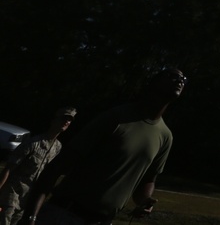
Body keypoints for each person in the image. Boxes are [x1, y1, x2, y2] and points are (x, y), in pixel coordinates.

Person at [18, 68, 186, 225]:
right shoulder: (116, 117)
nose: (179, 81)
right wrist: (31, 216)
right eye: (173, 76)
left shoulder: (165, 136)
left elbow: (148, 179)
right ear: (153, 82)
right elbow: (56, 167)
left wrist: (144, 200)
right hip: (65, 214)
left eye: (183, 79)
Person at [0, 108, 76, 225]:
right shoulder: (33, 143)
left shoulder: (57, 148)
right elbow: (9, 168)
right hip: (12, 193)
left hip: (27, 198)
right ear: (53, 121)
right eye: (63, 118)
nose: (66, 122)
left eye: (69, 121)